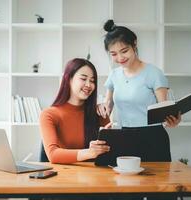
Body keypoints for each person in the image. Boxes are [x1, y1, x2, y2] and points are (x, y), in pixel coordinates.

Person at [97, 19, 182, 163]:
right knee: (126, 182)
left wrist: (171, 121)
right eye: (114, 54)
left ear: (134, 44)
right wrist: (102, 107)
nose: (120, 58)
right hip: (124, 136)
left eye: (124, 51)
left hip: (152, 137)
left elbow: (164, 109)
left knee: (157, 183)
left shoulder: (154, 73)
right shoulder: (114, 75)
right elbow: (108, 106)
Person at [40, 58, 112, 164]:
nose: (88, 85)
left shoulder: (100, 112)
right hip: (64, 177)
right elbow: (53, 155)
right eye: (83, 79)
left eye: (92, 81)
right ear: (69, 79)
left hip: (94, 177)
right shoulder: (49, 114)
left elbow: (109, 153)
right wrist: (89, 152)